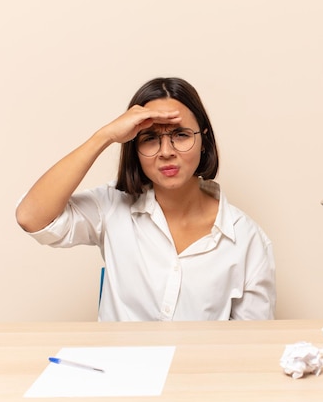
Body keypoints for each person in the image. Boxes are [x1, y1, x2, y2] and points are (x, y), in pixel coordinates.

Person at [15, 77, 276, 321]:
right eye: (150, 139)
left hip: (199, 370)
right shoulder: (111, 206)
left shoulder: (247, 239)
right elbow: (31, 217)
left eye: (181, 135)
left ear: (204, 141)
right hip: (119, 369)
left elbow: (250, 344)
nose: (166, 152)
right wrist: (104, 136)